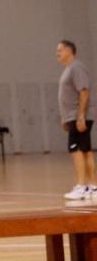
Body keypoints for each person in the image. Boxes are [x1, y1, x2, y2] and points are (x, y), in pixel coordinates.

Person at [57, 40, 94, 200]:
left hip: (79, 116)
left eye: (60, 50)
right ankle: (92, 186)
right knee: (85, 151)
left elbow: (84, 92)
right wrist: (66, 118)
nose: (57, 53)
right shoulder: (69, 69)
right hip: (73, 116)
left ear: (69, 51)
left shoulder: (76, 67)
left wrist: (80, 116)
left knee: (76, 150)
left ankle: (81, 186)